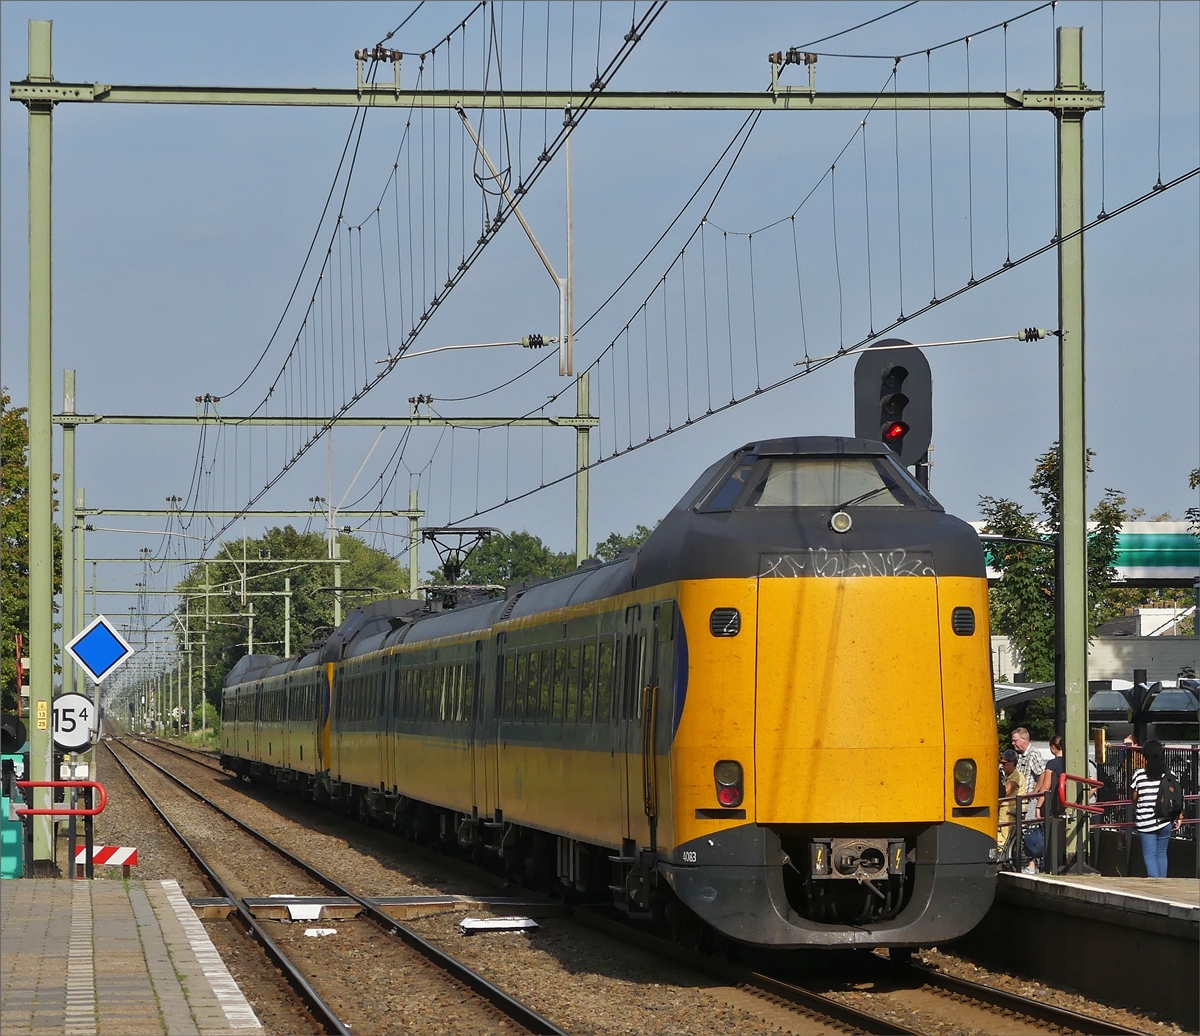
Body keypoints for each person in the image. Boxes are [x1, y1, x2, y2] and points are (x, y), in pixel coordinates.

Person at [1131, 740, 1183, 877]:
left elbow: (1135, 797)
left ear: (1145, 756)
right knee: (1161, 854)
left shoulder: (1140, 774)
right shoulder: (1170, 774)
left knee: (1150, 855)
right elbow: (1176, 796)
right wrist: (1179, 816)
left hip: (1146, 821)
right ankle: (1163, 883)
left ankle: (1155, 883)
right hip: (1165, 820)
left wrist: (1137, 810)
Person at [997, 749, 1022, 862]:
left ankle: (1006, 859)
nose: (1002, 766)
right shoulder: (1008, 776)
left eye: (1004, 763)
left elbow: (1007, 790)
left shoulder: (1016, 776)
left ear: (1012, 763)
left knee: (1005, 837)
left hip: (1009, 812)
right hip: (1004, 811)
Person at [1043, 735, 1065, 817]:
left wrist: (1038, 806)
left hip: (1055, 803)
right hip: (1071, 802)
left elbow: (1046, 787)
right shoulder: (1071, 763)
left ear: (1053, 747)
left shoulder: (1051, 764)